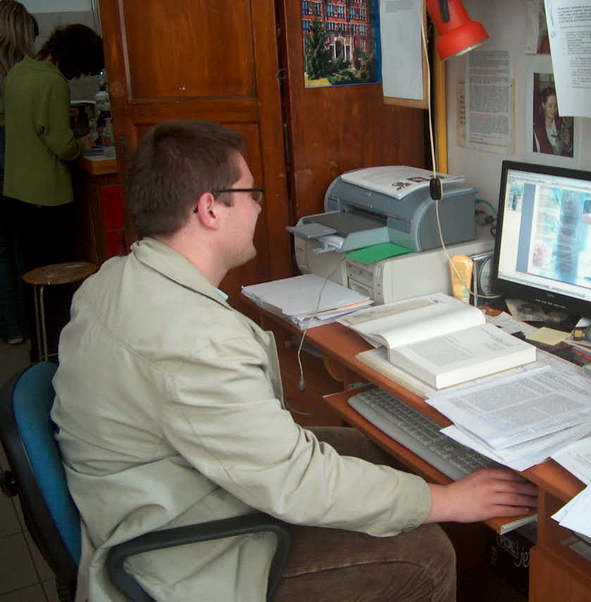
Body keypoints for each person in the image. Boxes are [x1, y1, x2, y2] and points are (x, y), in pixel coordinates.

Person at [51, 120, 539, 601]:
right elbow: (296, 483)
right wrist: (449, 501)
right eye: (250, 193)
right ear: (209, 209)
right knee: (427, 555)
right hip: (186, 553)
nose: (258, 206)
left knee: (365, 446)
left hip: (163, 487)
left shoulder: (113, 279)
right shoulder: (195, 341)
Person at [2, 22, 103, 356]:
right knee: (59, 276)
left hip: (16, 190)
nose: (76, 77)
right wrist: (81, 143)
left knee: (34, 273)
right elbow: (61, 146)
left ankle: (40, 347)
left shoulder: (18, 72)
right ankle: (61, 349)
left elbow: (23, 122)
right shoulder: (52, 82)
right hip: (48, 194)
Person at [0, 0, 37, 344]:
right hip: (13, 167)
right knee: (18, 249)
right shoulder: (20, 74)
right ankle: (25, 326)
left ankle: (11, 327)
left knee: (4, 252)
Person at [533, 86, 572, 156]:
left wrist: (568, 143)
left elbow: (568, 151)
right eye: (550, 105)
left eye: (555, 105)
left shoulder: (562, 123)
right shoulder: (537, 129)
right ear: (543, 105)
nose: (553, 109)